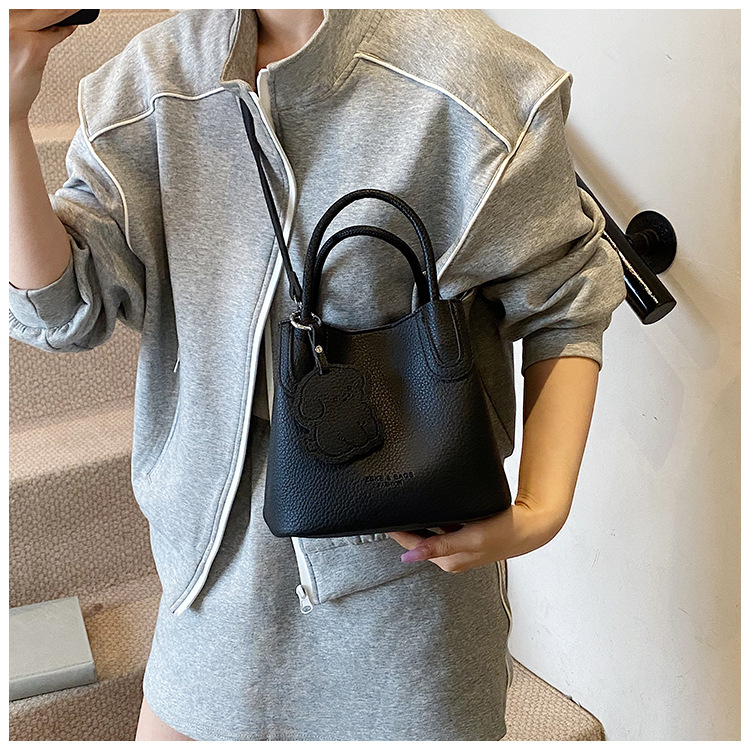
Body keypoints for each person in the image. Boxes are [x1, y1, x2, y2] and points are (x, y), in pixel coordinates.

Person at [9, 9, 627, 742]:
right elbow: (63, 311)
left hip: (402, 599)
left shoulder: (473, 80)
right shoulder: (149, 83)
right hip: (209, 583)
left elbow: (565, 299)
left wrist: (542, 507)